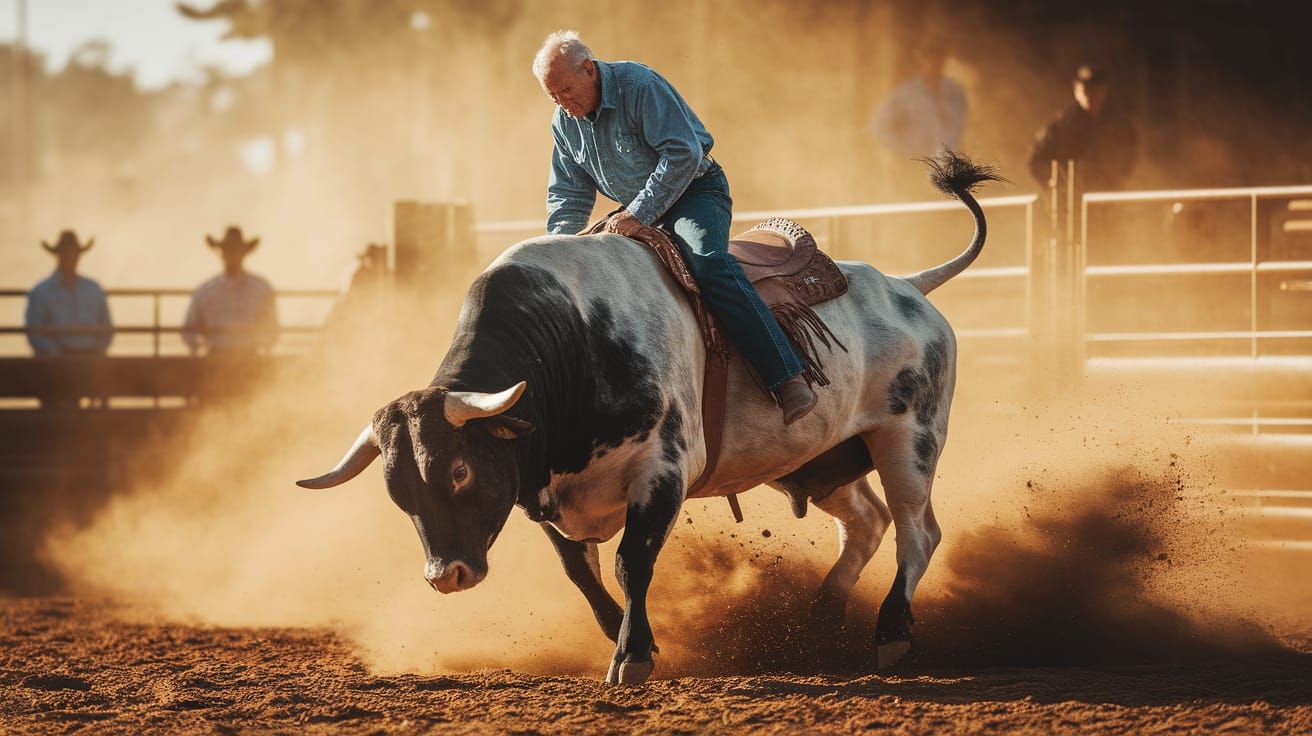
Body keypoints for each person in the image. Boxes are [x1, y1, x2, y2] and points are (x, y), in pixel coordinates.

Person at [534, 30, 815, 424]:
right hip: (634, 206)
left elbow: (683, 153)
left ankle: (787, 376)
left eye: (565, 90)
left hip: (693, 191)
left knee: (707, 262)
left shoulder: (639, 85)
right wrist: (560, 247)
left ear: (588, 69)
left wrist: (639, 213)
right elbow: (568, 193)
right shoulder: (564, 122)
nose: (563, 103)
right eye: (553, 96)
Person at [1027, 64, 1138, 193]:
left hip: (1108, 196)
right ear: (1076, 89)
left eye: (1096, 88)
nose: (1090, 94)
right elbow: (1035, 160)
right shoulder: (1062, 125)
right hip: (1070, 200)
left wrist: (1117, 178)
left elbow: (1130, 155)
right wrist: (1053, 180)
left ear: (1105, 90)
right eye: (1085, 88)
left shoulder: (1119, 125)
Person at [181, 226, 278, 356]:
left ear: (244, 253)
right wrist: (196, 348)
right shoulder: (206, 290)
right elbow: (189, 329)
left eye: (236, 250)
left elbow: (272, 327)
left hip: (249, 356)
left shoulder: (261, 288)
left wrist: (264, 346)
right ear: (221, 253)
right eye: (228, 250)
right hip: (217, 356)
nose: (232, 255)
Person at [25, 230, 113, 358]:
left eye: (73, 253)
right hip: (56, 359)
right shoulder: (41, 291)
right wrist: (53, 352)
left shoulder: (93, 288)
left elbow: (107, 327)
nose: (70, 257)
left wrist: (99, 349)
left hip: (91, 356)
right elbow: (34, 331)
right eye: (66, 253)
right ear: (58, 255)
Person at [870, 44, 967, 158]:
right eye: (930, 60)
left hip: (950, 162)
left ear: (944, 61)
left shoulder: (955, 92)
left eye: (938, 60)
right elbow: (878, 125)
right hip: (916, 161)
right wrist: (904, 150)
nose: (934, 65)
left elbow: (962, 127)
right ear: (922, 61)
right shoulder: (908, 93)